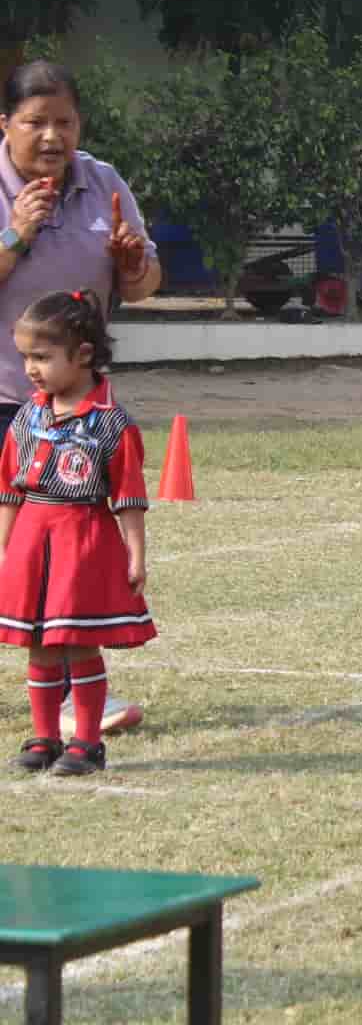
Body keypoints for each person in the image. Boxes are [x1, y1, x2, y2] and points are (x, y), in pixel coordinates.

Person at [0, 60, 161, 737]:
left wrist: (132, 264)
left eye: (63, 122)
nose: (51, 136)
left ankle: (74, 700)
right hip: (5, 399)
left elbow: (146, 283)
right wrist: (15, 235)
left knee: (65, 554)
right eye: (35, 122)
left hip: (75, 413)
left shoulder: (103, 182)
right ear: (5, 124)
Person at [0, 290, 153, 776]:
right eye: (26, 357)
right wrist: (4, 547)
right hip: (32, 540)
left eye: (42, 357)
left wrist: (136, 556)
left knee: (79, 641)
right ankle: (44, 736)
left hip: (83, 540)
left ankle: (87, 743)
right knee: (38, 644)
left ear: (83, 354)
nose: (31, 368)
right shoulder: (27, 416)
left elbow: (129, 498)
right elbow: (9, 488)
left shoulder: (111, 424)